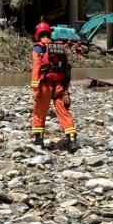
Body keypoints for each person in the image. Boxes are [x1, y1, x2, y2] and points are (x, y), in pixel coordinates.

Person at [30, 23, 78, 152]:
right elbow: (66, 68)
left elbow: (36, 68)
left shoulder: (38, 49)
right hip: (60, 85)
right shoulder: (60, 46)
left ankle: (38, 139)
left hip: (45, 84)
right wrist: (66, 89)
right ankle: (72, 139)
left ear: (38, 34)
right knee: (63, 111)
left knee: (40, 111)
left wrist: (35, 89)